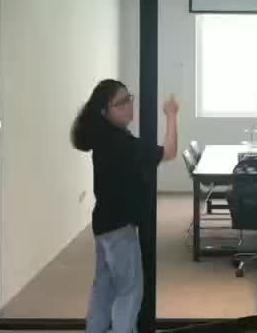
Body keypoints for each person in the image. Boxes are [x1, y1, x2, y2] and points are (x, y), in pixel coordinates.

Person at [71, 79, 178, 333]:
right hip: (119, 228)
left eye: (128, 99)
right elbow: (170, 152)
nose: (129, 106)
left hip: (104, 225)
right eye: (120, 103)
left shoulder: (105, 138)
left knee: (104, 289)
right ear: (104, 112)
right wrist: (171, 115)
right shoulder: (121, 143)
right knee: (130, 291)